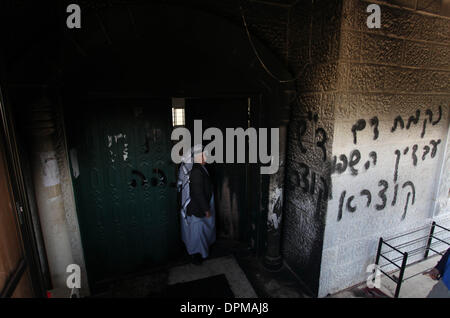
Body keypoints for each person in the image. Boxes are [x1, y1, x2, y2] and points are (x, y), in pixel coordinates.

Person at [180, 145, 216, 265]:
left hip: (198, 206)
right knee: (197, 233)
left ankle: (199, 253)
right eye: (204, 155)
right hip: (197, 207)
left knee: (200, 232)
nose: (206, 157)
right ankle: (197, 256)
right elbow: (197, 192)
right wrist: (206, 209)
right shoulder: (196, 171)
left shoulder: (200, 168)